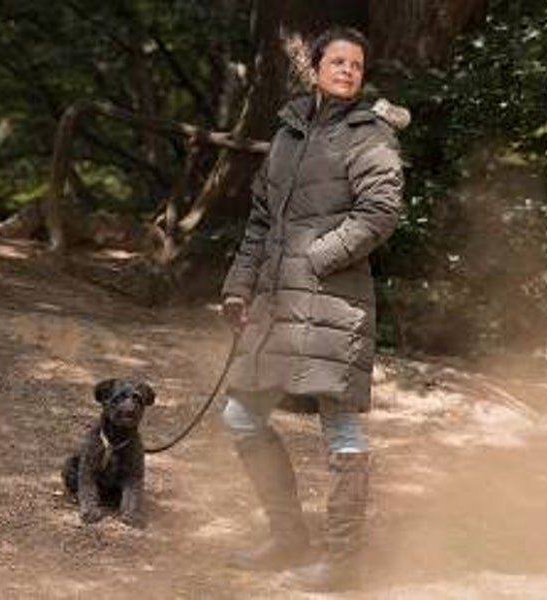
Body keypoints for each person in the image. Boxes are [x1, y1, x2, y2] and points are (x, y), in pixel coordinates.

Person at [220, 26, 405, 592]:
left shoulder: (369, 134)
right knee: (241, 415)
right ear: (316, 67)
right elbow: (261, 219)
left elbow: (380, 212)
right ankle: (288, 538)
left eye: (356, 64)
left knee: (340, 426)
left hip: (334, 305)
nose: (347, 70)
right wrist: (239, 286)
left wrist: (317, 256)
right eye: (338, 61)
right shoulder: (288, 132)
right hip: (278, 304)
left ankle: (344, 561)